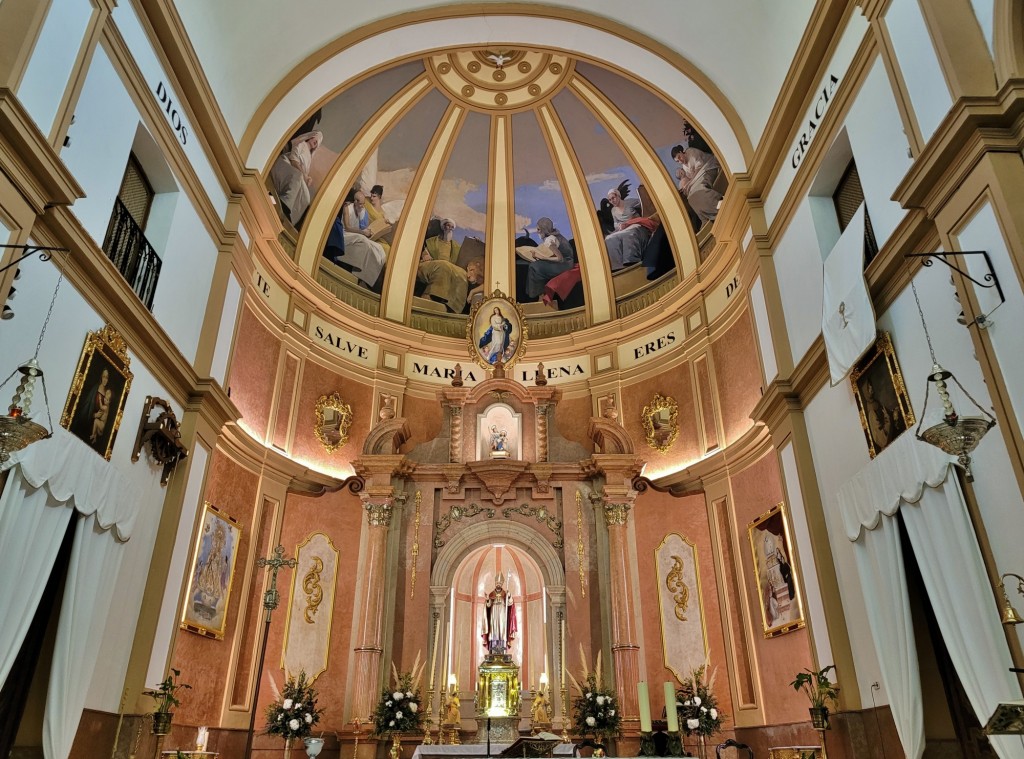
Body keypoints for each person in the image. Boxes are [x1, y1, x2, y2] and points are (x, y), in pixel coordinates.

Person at [671, 121, 722, 230]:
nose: (680, 161)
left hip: (708, 168)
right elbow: (691, 177)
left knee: (699, 188)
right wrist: (687, 184)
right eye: (677, 161)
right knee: (691, 198)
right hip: (698, 176)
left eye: (679, 157)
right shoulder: (684, 167)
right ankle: (705, 219)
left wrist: (690, 183)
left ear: (682, 151)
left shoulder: (691, 152)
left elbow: (699, 168)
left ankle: (718, 204)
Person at [418, 219, 473, 312]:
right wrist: (425, 254)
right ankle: (428, 298)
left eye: (452, 227)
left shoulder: (456, 247)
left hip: (448, 267)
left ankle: (453, 307)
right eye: (448, 226)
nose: (450, 229)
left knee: (462, 273)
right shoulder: (430, 241)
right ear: (443, 227)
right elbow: (422, 250)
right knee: (443, 265)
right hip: (429, 263)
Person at [518, 217, 575, 300]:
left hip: (565, 264)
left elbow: (560, 259)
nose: (537, 231)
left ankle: (536, 296)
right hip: (568, 261)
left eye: (539, 229)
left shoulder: (549, 240)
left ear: (544, 229)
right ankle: (538, 294)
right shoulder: (555, 235)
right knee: (537, 265)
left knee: (534, 267)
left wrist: (542, 257)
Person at [603, 186, 656, 270]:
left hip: (637, 225)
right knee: (609, 238)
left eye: (613, 198)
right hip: (624, 228)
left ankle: (631, 261)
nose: (612, 201)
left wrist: (631, 221)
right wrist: (620, 226)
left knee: (629, 234)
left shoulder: (630, 202)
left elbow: (645, 203)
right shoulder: (613, 210)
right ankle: (618, 266)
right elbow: (615, 224)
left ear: (618, 196)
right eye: (610, 200)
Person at [482, 573, 516, 654]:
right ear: (495, 583)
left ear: (502, 584)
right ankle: (493, 650)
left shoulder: (505, 593)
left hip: (502, 614)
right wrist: (487, 599)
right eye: (497, 583)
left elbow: (510, 604)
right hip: (494, 614)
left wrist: (509, 596)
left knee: (502, 630)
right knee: (494, 630)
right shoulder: (491, 594)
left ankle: (502, 650)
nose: (498, 585)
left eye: (500, 583)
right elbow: (489, 605)